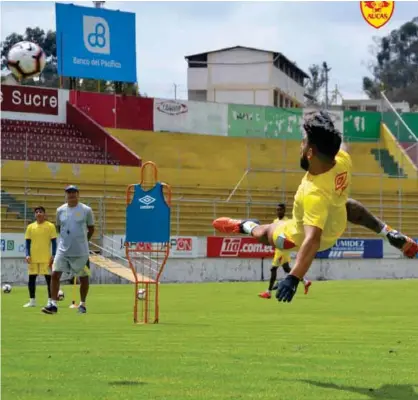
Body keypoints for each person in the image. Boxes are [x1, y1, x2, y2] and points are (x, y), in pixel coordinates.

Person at [213, 111, 418, 303]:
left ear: (310, 152)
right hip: (337, 221)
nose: (300, 147)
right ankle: (386, 232)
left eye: (303, 143)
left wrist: (294, 277)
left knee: (266, 233)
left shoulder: (313, 192)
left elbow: (312, 240)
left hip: (301, 236)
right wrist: (326, 126)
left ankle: (245, 226)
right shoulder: (342, 160)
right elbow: (343, 146)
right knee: (345, 204)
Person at [42, 185, 95, 314]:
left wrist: (82, 241)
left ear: (78, 194)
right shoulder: (60, 210)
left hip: (81, 251)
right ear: (65, 195)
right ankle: (53, 304)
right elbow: (59, 228)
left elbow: (91, 228)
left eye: (73, 192)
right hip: (63, 250)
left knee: (83, 278)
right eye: (68, 192)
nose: (71, 195)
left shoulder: (86, 210)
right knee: (55, 274)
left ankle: (82, 304)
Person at [258, 203, 311, 299]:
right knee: (286, 268)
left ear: (284, 210)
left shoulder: (287, 222)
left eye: (280, 210)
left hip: (282, 250)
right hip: (278, 250)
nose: (278, 211)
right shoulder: (275, 221)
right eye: (277, 210)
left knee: (273, 269)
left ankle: (268, 292)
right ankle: (305, 281)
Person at [23, 206, 57, 308]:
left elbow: (54, 242)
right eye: (37, 212)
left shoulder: (50, 226)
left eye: (40, 212)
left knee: (49, 280)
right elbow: (27, 243)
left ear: (44, 214)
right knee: (31, 279)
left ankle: (50, 301)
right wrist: (27, 254)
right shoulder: (30, 227)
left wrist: (54, 254)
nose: (38, 213)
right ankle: (32, 300)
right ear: (35, 214)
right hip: (33, 258)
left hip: (46, 258)